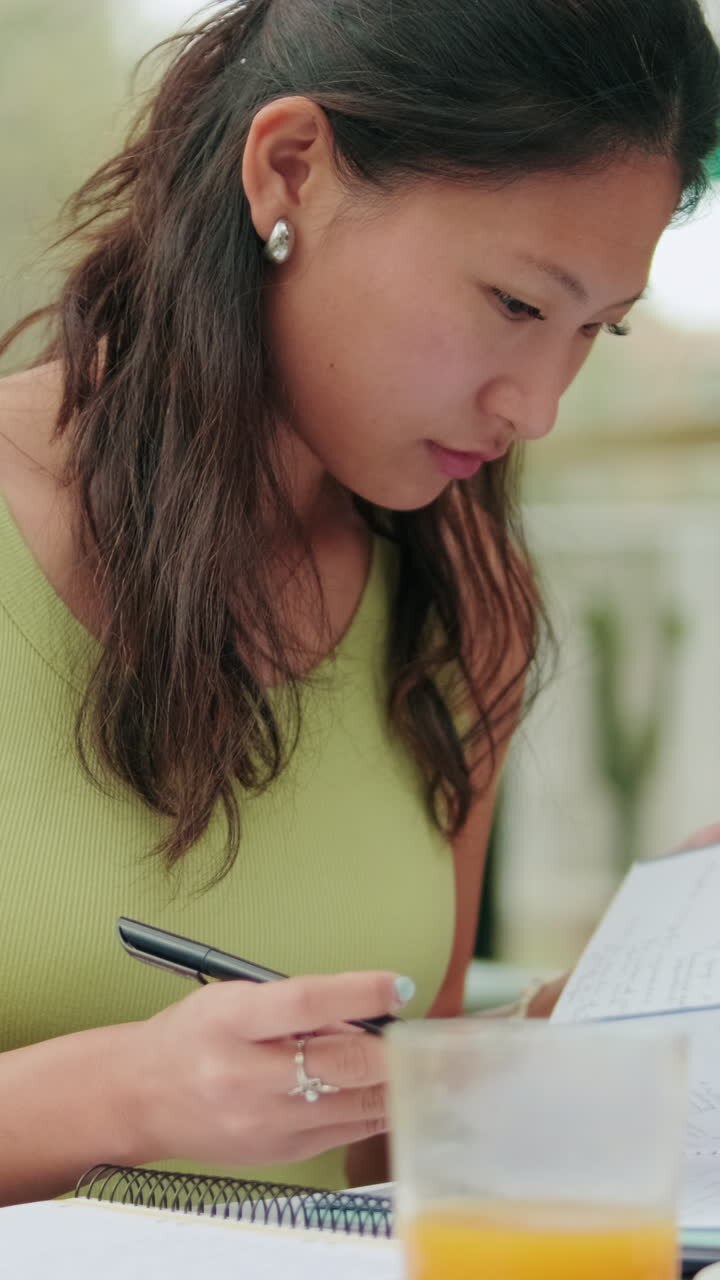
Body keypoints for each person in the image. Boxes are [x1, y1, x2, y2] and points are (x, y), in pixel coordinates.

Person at [0, 0, 718, 1209]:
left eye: (598, 328)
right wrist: (124, 1095)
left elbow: (388, 1160)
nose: (538, 406)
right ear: (291, 169)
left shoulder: (460, 607)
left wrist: (610, 1006)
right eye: (516, 304)